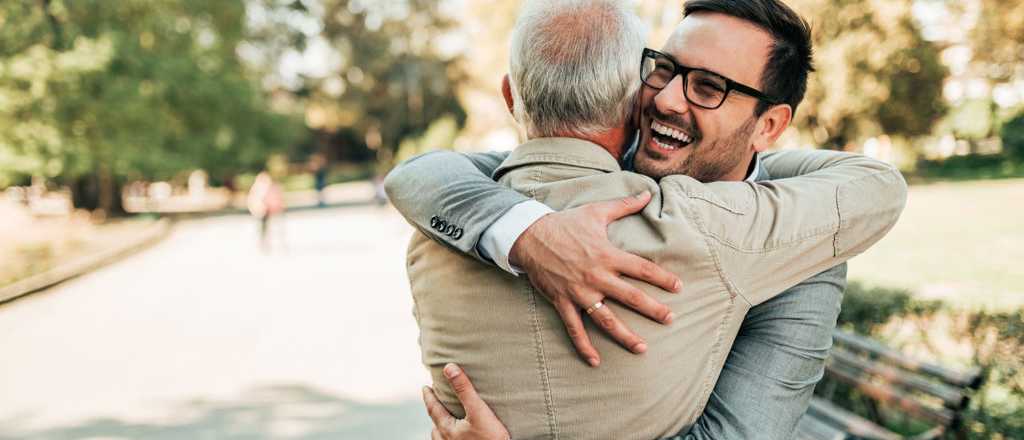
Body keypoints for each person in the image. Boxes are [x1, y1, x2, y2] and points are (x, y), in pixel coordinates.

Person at [387, 0, 907, 438]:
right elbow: (423, 174)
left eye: (708, 87)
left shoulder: (803, 248)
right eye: (664, 68)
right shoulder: (539, 185)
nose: (665, 97)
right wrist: (525, 233)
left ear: (768, 125)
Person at [247, 171, 285, 252]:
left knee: (275, 228)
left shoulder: (272, 187)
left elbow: (278, 198)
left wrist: (278, 206)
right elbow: (253, 199)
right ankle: (264, 244)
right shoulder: (258, 188)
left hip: (271, 210)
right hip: (262, 211)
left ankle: (275, 244)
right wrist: (256, 209)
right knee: (263, 229)